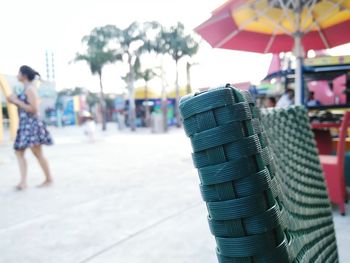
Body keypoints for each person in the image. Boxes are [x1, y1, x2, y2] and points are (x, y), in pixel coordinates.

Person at [7, 65, 53, 190]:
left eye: (19, 73)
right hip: (25, 125)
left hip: (31, 125)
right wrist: (14, 100)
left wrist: (16, 101)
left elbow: (34, 109)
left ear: (24, 75)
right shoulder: (26, 89)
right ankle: (23, 182)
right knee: (19, 152)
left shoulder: (30, 89)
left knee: (37, 153)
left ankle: (49, 179)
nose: (17, 75)